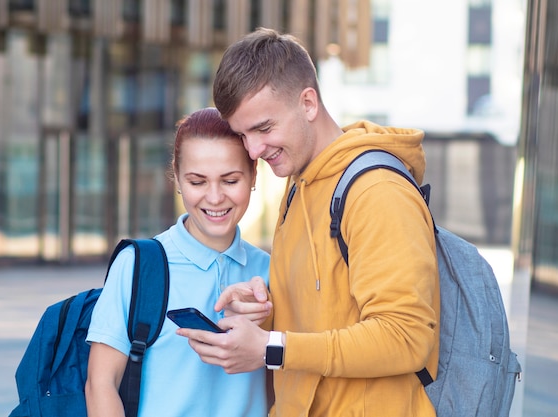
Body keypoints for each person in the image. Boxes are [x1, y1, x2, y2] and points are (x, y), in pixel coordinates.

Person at [176, 28, 441, 416]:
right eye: (242, 134)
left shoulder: (376, 192)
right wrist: (266, 304)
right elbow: (326, 308)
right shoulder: (299, 183)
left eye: (264, 128)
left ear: (308, 103)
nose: (253, 150)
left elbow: (406, 336)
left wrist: (272, 347)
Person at [85, 107, 271, 417]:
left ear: (253, 175)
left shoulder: (270, 271)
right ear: (178, 178)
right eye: (198, 182)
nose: (214, 198)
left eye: (230, 180)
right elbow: (100, 383)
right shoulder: (138, 265)